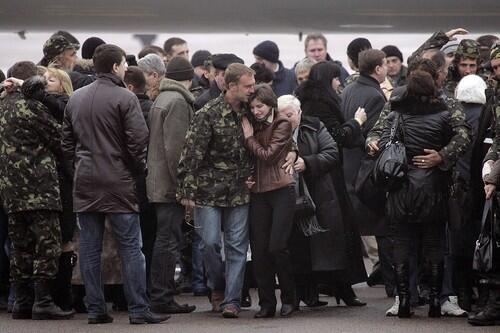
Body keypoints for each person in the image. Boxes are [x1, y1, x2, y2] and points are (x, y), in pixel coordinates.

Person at [62, 44, 169, 325]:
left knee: (89, 248)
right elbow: (138, 141)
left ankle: (96, 309)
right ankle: (138, 309)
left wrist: (79, 168)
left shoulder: (76, 98)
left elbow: (66, 143)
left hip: (85, 181)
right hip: (118, 181)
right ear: (115, 67)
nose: (125, 68)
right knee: (131, 248)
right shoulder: (126, 97)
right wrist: (136, 171)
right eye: (123, 64)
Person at [177, 63, 255, 318]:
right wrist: (187, 193)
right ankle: (217, 287)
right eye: (248, 86)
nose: (252, 90)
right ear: (231, 86)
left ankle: (232, 300)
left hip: (240, 190)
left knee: (237, 247)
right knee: (209, 244)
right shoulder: (207, 113)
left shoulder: (251, 113)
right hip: (208, 191)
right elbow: (191, 156)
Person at [0, 61, 73, 320]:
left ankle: (21, 301)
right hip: (39, 187)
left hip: (10, 191)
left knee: (20, 247)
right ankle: (43, 301)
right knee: (47, 246)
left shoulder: (1, 107)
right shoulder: (32, 108)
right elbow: (62, 139)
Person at [379, 69, 454, 319]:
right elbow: (459, 140)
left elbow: (382, 144)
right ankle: (434, 301)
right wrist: (440, 157)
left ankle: (403, 300)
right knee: (434, 243)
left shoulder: (396, 115)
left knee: (401, 243)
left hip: (401, 187)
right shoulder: (444, 116)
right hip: (432, 186)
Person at [294, 61, 368, 305]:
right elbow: (336, 138)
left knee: (315, 236)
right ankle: (341, 288)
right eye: (336, 79)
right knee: (335, 233)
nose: (339, 83)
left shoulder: (310, 101)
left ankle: (316, 289)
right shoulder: (322, 104)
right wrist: (356, 122)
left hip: (313, 174)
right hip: (326, 176)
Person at [146, 56, 197, 314]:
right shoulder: (177, 102)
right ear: (188, 79)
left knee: (163, 240)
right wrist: (184, 188)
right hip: (168, 187)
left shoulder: (162, 98)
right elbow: (177, 150)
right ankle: (162, 296)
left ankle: (160, 294)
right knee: (167, 241)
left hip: (158, 183)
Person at [241, 84, 296, 318]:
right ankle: (266, 303)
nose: (256, 111)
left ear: (270, 104)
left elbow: (269, 155)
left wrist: (249, 138)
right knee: (260, 250)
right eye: (252, 107)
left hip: (282, 189)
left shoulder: (282, 123)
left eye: (260, 106)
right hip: (258, 192)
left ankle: (290, 298)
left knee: (277, 247)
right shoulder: (249, 120)